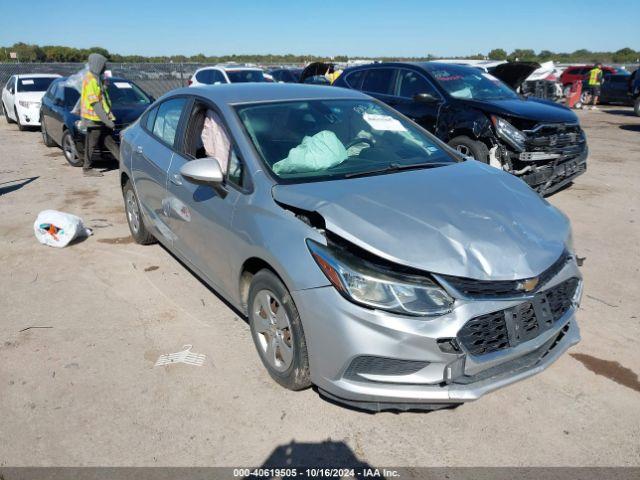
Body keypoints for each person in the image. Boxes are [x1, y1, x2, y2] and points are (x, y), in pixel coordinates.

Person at [80, 53, 118, 176]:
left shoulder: (96, 78)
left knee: (109, 141)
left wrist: (104, 87)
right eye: (103, 65)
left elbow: (101, 97)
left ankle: (123, 163)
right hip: (94, 120)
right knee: (92, 144)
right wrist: (108, 122)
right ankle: (87, 169)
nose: (105, 67)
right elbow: (95, 104)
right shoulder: (90, 80)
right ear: (98, 65)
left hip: (99, 120)